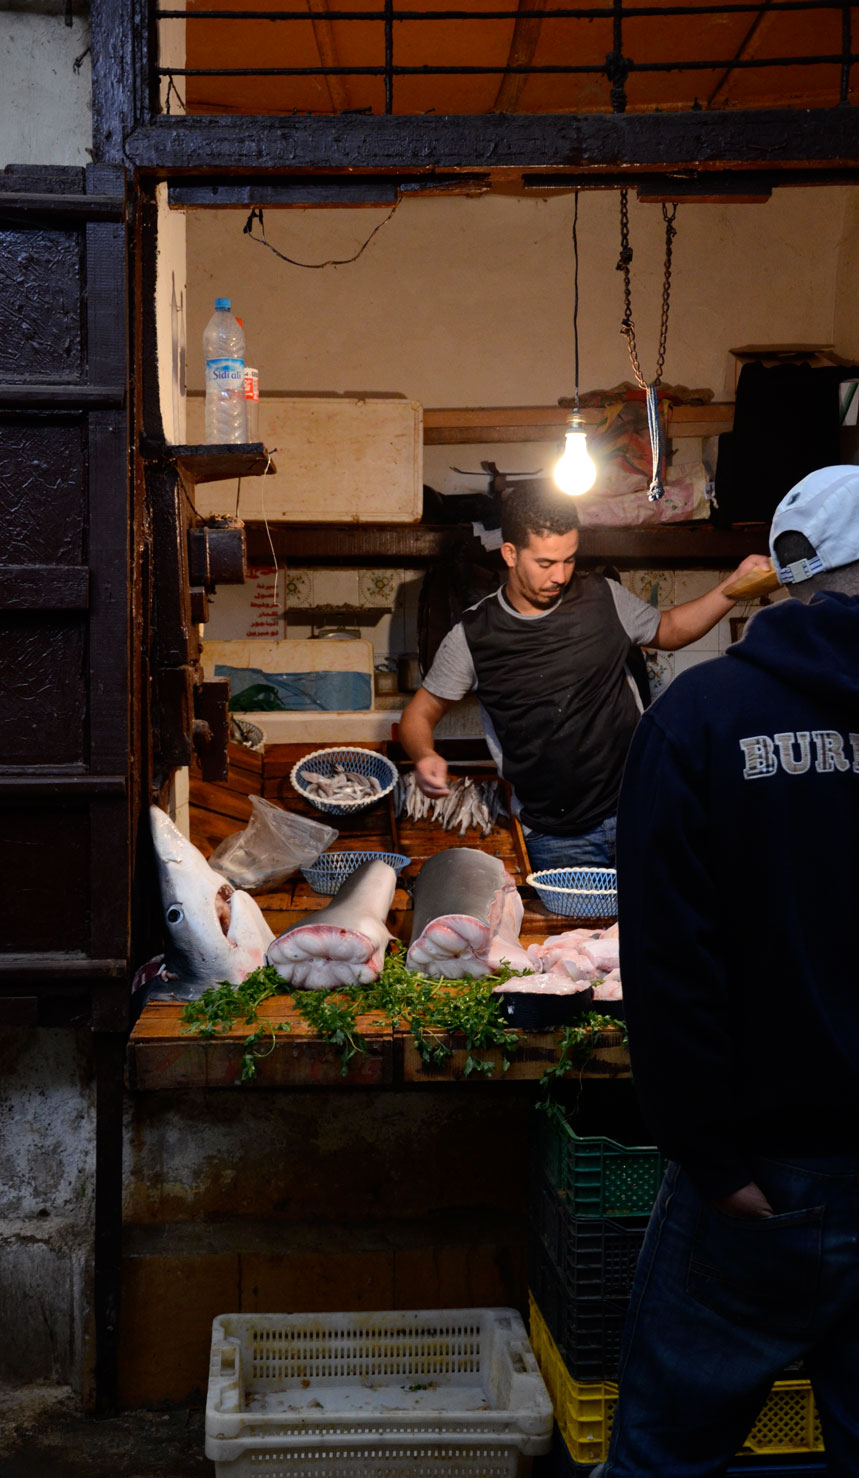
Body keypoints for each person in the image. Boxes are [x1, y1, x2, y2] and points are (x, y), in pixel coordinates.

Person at [595, 465, 859, 1476]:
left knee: (663, 1455)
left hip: (769, 1175)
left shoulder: (701, 716)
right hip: (789, 1158)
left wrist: (709, 1158)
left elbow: (667, 961)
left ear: (785, 576)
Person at [398, 483, 770, 869]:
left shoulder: (603, 597)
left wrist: (732, 587)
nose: (560, 575)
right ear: (510, 554)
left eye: (569, 559)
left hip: (640, 810)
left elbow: (670, 630)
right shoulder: (474, 635)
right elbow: (418, 716)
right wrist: (425, 755)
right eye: (545, 563)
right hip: (555, 837)